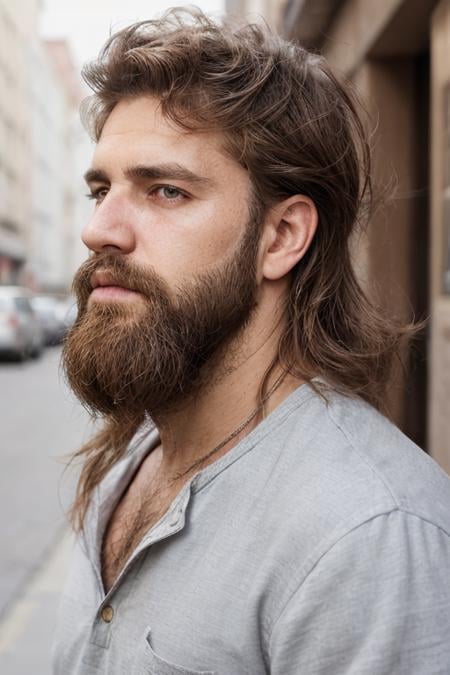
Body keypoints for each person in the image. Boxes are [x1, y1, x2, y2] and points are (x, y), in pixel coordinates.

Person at [53, 7, 450, 674]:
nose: (101, 229)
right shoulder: (131, 461)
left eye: (166, 190)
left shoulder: (367, 535)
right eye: (101, 189)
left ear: (281, 237)